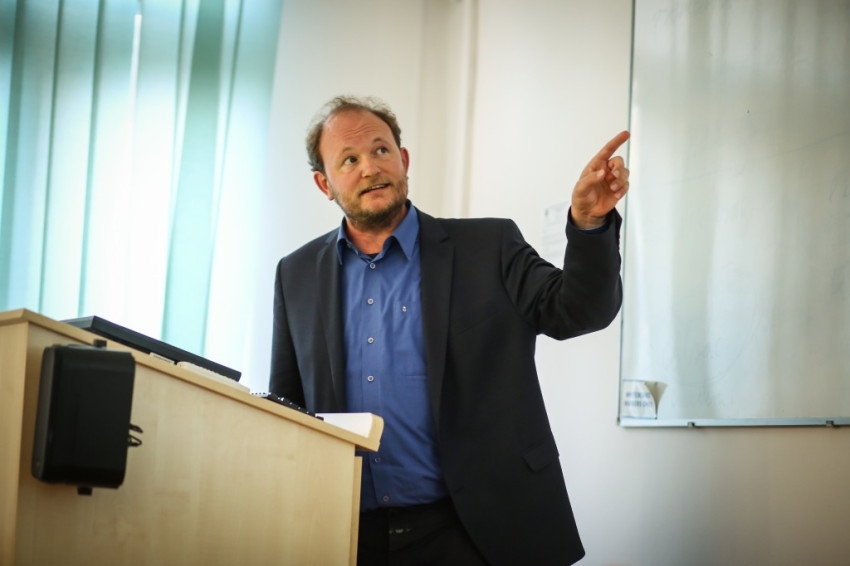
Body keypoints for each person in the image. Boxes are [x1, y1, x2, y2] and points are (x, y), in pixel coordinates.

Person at [269, 95, 630, 565]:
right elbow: (287, 410)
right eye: (349, 160)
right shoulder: (295, 274)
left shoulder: (489, 246)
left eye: (381, 150)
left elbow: (579, 312)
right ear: (325, 183)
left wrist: (589, 224)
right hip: (349, 535)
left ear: (403, 159)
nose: (370, 167)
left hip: (478, 531)